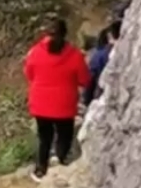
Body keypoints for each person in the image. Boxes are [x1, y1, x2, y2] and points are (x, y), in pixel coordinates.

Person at [23, 15, 90, 177]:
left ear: (46, 34)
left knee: (44, 137)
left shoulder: (35, 53)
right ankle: (60, 160)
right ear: (65, 34)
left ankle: (40, 169)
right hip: (64, 104)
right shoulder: (75, 56)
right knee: (64, 134)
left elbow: (29, 74)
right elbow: (84, 80)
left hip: (40, 103)